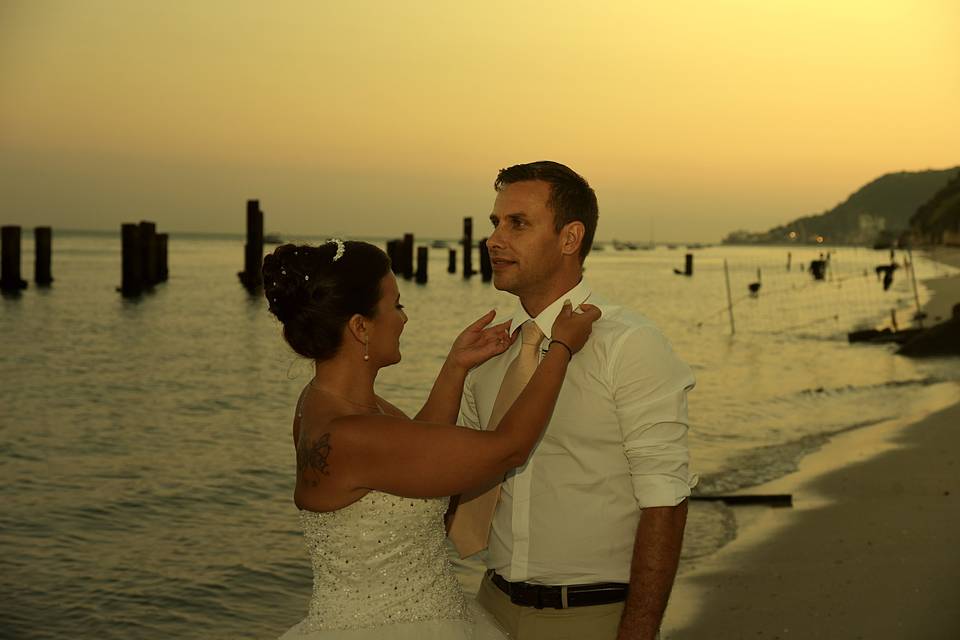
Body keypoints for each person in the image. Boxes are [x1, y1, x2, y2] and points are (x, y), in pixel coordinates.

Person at [262, 239, 600, 639]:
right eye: (397, 305)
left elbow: (413, 454)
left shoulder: (322, 403)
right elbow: (509, 448)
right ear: (360, 326)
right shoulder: (353, 433)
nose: (404, 318)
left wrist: (455, 368)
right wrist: (560, 347)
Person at [447, 161, 696, 640]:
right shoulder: (491, 352)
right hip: (487, 609)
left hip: (590, 617)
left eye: (517, 223)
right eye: (495, 223)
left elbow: (665, 498)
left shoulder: (629, 343)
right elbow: (458, 475)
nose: (494, 240)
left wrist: (637, 634)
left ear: (570, 237)